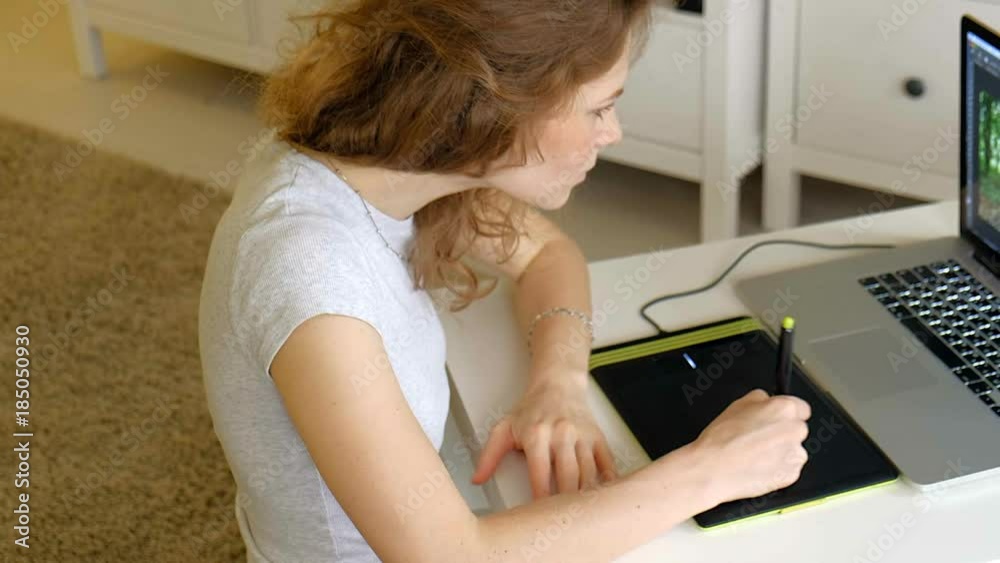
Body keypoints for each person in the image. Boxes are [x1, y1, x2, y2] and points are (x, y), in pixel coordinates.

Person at [197, 1, 813, 562]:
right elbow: (451, 555)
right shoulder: (310, 272)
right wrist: (712, 470)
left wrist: (558, 383)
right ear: (494, 103)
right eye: (599, 107)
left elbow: (549, 255)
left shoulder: (388, 161)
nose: (612, 132)